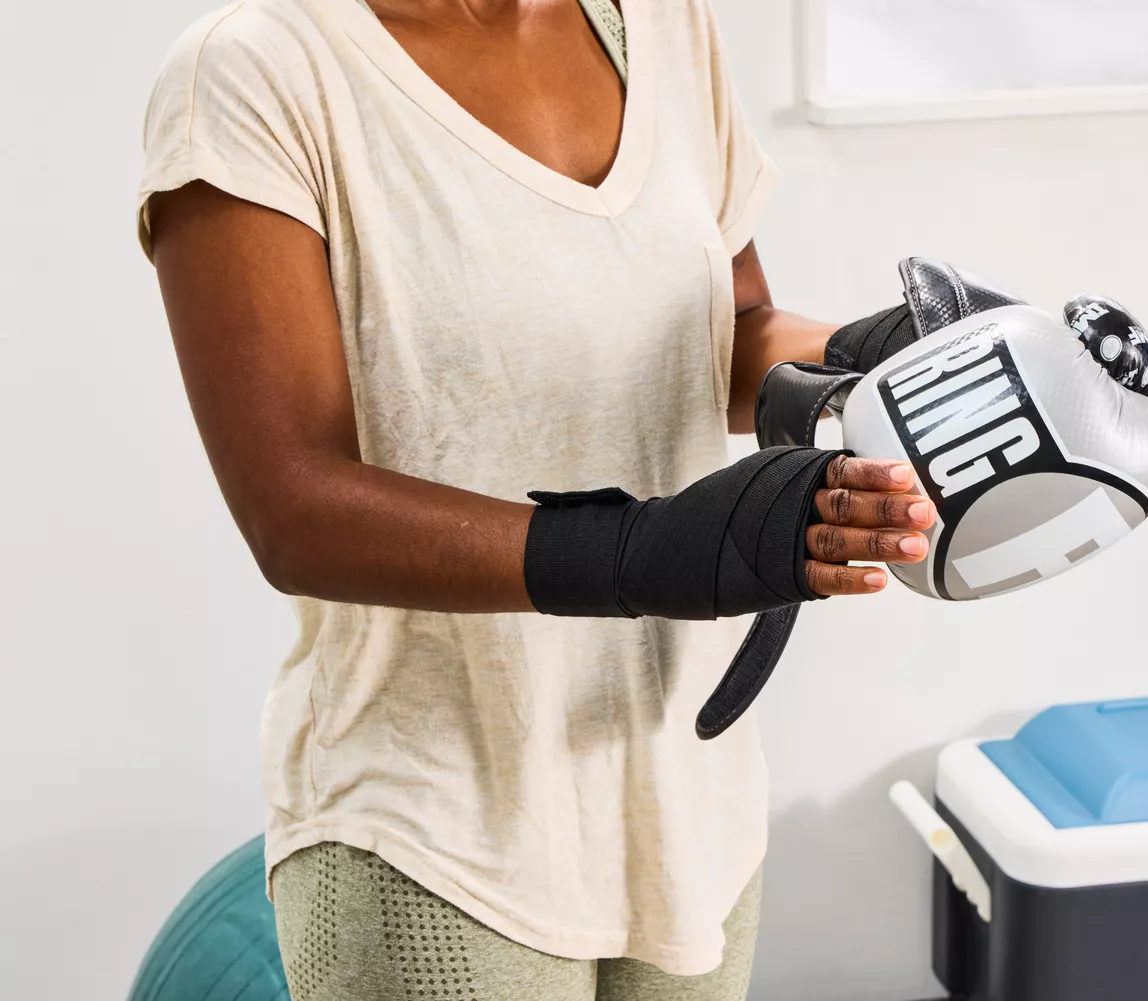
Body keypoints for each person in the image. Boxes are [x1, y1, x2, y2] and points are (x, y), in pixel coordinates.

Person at [138, 0, 935, 997]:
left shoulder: (664, 23)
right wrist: (635, 552)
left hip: (689, 805)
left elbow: (726, 331)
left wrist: (874, 356)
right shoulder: (255, 71)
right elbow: (292, 507)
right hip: (437, 829)